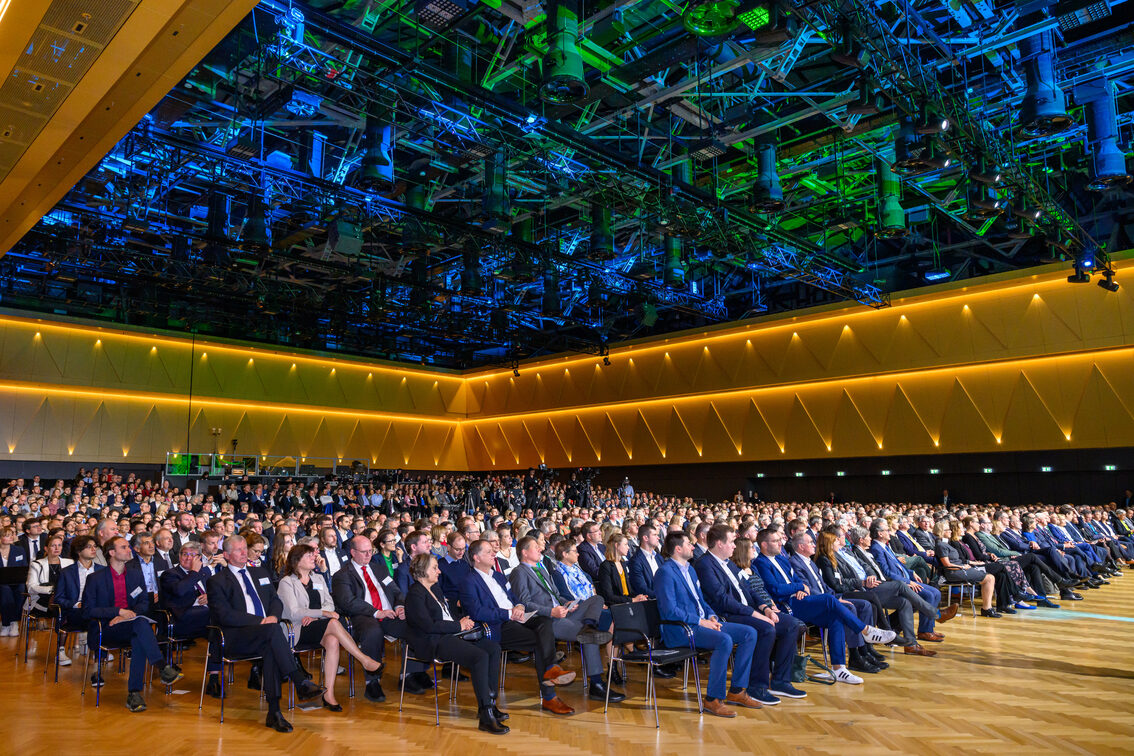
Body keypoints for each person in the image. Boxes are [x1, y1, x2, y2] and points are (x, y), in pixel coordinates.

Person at [206, 535, 325, 731]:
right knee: (272, 633)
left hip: (266, 633)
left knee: (271, 644)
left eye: (245, 548)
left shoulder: (259, 572)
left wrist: (273, 617)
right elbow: (224, 615)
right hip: (236, 637)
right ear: (226, 555)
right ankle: (298, 681)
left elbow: (275, 601)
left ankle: (274, 711)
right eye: (238, 550)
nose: (244, 553)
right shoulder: (217, 581)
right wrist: (261, 621)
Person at [755, 528, 895, 685]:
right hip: (786, 605)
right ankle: (865, 630)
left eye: (779, 540)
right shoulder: (760, 563)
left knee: (835, 618)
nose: (780, 543)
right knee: (829, 599)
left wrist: (800, 587)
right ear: (764, 544)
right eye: (775, 541)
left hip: (800, 600)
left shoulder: (781, 560)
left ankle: (839, 668)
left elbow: (796, 580)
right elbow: (776, 589)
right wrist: (799, 587)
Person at [459, 538, 576, 715]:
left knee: (544, 622)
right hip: (498, 625)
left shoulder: (498, 576)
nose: (494, 553)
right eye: (488, 552)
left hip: (517, 617)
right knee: (541, 640)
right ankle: (549, 695)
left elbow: (514, 598)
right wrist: (508, 614)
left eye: (493, 551)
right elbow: (477, 612)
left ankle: (551, 671)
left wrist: (519, 606)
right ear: (476, 557)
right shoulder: (469, 581)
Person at [695, 524, 806, 704]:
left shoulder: (729, 563)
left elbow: (749, 589)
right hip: (729, 614)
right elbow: (722, 600)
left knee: (791, 624)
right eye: (731, 542)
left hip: (749, 610)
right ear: (719, 543)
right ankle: (756, 686)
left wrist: (765, 608)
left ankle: (780, 680)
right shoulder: (704, 565)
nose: (734, 545)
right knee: (766, 629)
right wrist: (755, 614)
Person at [654, 531, 760, 717]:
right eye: (689, 544)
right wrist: (700, 621)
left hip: (700, 624)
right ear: (678, 549)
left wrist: (711, 616)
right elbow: (669, 610)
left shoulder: (690, 569)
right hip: (681, 629)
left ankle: (737, 691)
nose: (693, 547)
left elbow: (701, 601)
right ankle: (713, 699)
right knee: (724, 640)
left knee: (749, 633)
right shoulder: (665, 573)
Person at [404, 553, 509, 734]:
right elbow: (428, 625)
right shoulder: (415, 595)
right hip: (433, 640)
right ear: (422, 571)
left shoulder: (435, 588)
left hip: (451, 634)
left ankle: (490, 703)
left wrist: (462, 621)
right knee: (479, 657)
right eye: (434, 568)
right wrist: (457, 625)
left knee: (493, 648)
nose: (439, 571)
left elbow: (446, 614)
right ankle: (485, 714)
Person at [509, 535, 622, 702]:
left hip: (565, 611)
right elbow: (524, 603)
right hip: (549, 620)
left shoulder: (541, 570)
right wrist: (551, 611)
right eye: (535, 547)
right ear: (524, 552)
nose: (540, 549)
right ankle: (597, 684)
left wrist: (566, 602)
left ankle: (589, 624)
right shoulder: (519, 572)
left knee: (597, 599)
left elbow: (556, 595)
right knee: (589, 636)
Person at [81, 535, 184, 712]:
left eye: (129, 547)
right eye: (124, 547)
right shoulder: (96, 578)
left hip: (130, 624)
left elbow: (144, 602)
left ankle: (135, 693)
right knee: (141, 628)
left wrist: (129, 615)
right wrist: (118, 612)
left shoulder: (135, 575)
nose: (129, 550)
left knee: (139, 635)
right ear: (112, 553)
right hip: (105, 628)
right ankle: (161, 667)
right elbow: (87, 610)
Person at [277, 543, 382, 711]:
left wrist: (316, 616)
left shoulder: (318, 578)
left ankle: (329, 694)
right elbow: (293, 612)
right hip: (296, 628)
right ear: (297, 560)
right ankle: (364, 660)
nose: (314, 558)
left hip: (317, 624)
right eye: (309, 555)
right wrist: (321, 613)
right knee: (333, 622)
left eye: (313, 555)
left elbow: (330, 604)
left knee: (332, 641)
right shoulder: (287, 582)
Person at [331, 535, 413, 702]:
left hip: (389, 613)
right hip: (363, 615)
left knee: (413, 624)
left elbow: (397, 592)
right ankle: (372, 682)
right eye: (364, 552)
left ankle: (409, 674)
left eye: (370, 551)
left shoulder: (379, 569)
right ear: (353, 552)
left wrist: (399, 606)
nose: (369, 555)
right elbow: (348, 602)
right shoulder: (342, 575)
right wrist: (376, 612)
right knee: (373, 632)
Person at [787, 532, 882, 675]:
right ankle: (855, 655)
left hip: (829, 597)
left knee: (865, 605)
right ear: (801, 546)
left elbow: (824, 586)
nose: (814, 545)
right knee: (849, 607)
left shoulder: (810, 562)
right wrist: (834, 599)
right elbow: (809, 589)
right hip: (815, 603)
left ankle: (865, 649)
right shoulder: (795, 562)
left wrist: (836, 596)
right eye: (810, 542)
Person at [934, 521, 1001, 617]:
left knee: (990, 576)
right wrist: (962, 567)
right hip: (954, 572)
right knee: (989, 578)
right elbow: (947, 564)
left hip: (961, 569)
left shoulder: (946, 543)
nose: (950, 531)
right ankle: (987, 609)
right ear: (941, 531)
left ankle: (988, 608)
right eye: (947, 530)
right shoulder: (941, 545)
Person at [597, 532, 648, 606]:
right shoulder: (605, 566)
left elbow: (629, 590)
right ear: (616, 545)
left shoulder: (622, 563)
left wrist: (639, 597)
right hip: (617, 606)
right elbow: (609, 596)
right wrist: (632, 600)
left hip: (627, 602)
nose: (628, 547)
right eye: (625, 544)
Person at [628, 523, 662, 598]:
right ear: (645, 538)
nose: (658, 538)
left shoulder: (659, 557)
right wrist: (661, 596)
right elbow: (641, 588)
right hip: (651, 601)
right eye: (655, 535)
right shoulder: (635, 561)